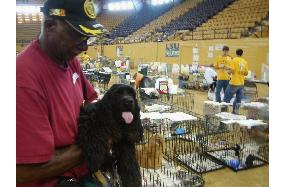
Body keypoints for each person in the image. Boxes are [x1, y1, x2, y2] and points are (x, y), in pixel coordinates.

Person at [16, 0, 107, 186]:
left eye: (88, 38)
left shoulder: (69, 57)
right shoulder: (23, 80)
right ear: (49, 26)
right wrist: (98, 140)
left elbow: (91, 101)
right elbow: (22, 172)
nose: (85, 47)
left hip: (79, 170)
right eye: (78, 36)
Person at [223, 49, 249, 113]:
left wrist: (227, 72)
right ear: (242, 54)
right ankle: (235, 112)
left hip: (234, 82)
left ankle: (223, 112)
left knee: (226, 98)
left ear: (236, 53)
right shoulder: (245, 61)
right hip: (241, 83)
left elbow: (232, 70)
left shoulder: (234, 60)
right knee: (238, 100)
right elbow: (246, 73)